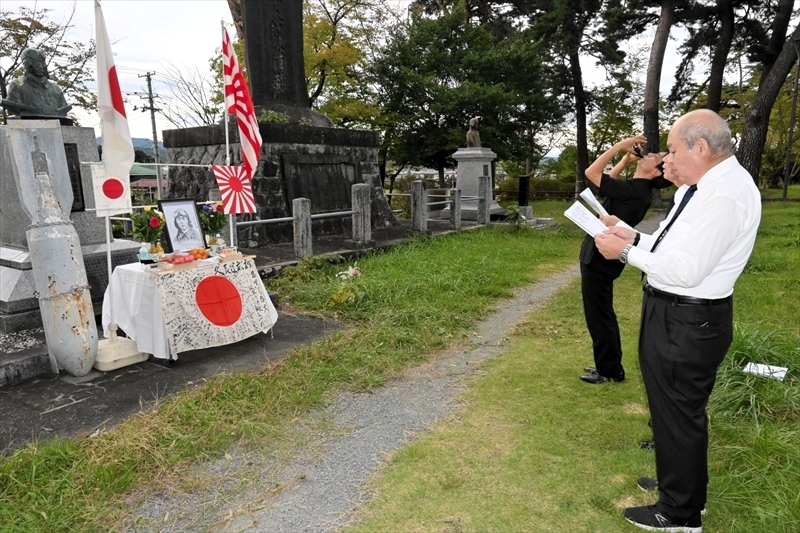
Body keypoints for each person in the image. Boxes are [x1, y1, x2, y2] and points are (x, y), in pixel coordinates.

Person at [595, 109, 761, 532]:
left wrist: (624, 254)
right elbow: (674, 248)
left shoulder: (724, 195)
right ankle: (683, 488)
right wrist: (633, 236)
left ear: (700, 148)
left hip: (686, 318)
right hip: (682, 316)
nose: (667, 157)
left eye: (672, 148)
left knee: (678, 411)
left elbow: (687, 271)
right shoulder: (711, 187)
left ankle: (679, 513)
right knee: (676, 411)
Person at [578, 136, 670, 384]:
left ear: (654, 172)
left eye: (656, 157)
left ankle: (610, 370)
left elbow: (592, 172)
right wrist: (625, 159)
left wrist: (620, 145)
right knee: (600, 312)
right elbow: (610, 184)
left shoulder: (635, 190)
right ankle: (607, 365)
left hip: (600, 258)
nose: (650, 154)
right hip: (601, 255)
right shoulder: (636, 188)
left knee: (600, 315)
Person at [2, 48, 71, 117]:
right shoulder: (17, 85)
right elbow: (15, 108)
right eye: (36, 63)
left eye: (42, 62)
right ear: (28, 65)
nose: (41, 66)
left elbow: (63, 110)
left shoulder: (55, 89)